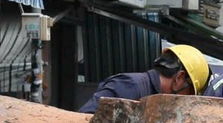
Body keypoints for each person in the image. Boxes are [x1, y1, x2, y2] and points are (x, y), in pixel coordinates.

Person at [80, 45, 211, 111]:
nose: (183, 101)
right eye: (188, 94)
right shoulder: (128, 87)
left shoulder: (155, 98)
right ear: (179, 78)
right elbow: (84, 121)